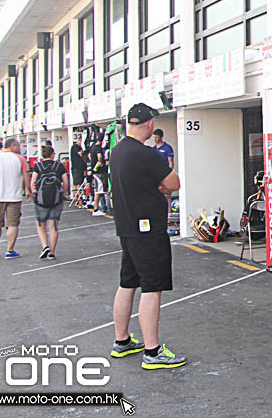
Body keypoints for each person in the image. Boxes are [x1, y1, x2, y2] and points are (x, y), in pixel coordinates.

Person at [111, 103, 185, 370]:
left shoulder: (117, 151)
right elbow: (174, 183)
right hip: (148, 229)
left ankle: (122, 341)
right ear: (150, 125)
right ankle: (152, 351)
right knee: (152, 288)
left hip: (127, 228)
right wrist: (160, 185)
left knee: (127, 283)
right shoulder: (147, 154)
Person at [0, 137, 31, 259]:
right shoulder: (20, 159)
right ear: (13, 146)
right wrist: (28, 190)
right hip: (14, 196)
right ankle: (10, 250)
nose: (19, 149)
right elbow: (26, 175)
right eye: (18, 146)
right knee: (13, 223)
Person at [32, 145, 69, 260]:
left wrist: (34, 193)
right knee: (53, 226)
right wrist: (64, 193)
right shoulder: (59, 166)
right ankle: (52, 252)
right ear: (52, 154)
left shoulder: (38, 166)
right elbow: (65, 182)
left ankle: (45, 246)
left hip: (41, 200)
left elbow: (33, 182)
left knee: (41, 224)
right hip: (56, 199)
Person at [88, 132, 110, 215]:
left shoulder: (92, 147)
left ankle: (98, 207)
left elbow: (89, 156)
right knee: (100, 190)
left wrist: (93, 163)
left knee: (99, 189)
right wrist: (101, 163)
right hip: (99, 172)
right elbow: (100, 156)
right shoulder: (98, 148)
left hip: (94, 171)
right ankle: (96, 208)